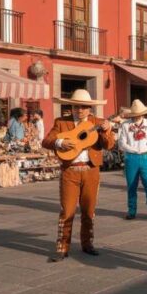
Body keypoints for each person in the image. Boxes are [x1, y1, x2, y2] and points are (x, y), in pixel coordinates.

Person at [42, 89, 115, 262]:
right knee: (67, 211)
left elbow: (110, 145)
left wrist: (105, 130)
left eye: (83, 106)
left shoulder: (97, 122)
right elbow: (46, 141)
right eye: (76, 106)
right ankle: (62, 247)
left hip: (91, 170)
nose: (79, 110)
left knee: (89, 211)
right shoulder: (61, 122)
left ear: (90, 108)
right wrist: (60, 142)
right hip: (70, 171)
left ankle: (87, 244)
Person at [118, 99, 147, 220]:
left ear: (143, 113)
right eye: (135, 114)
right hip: (131, 157)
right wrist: (133, 150)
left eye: (140, 114)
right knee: (131, 185)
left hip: (145, 156)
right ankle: (131, 211)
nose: (138, 116)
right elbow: (121, 144)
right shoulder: (125, 124)